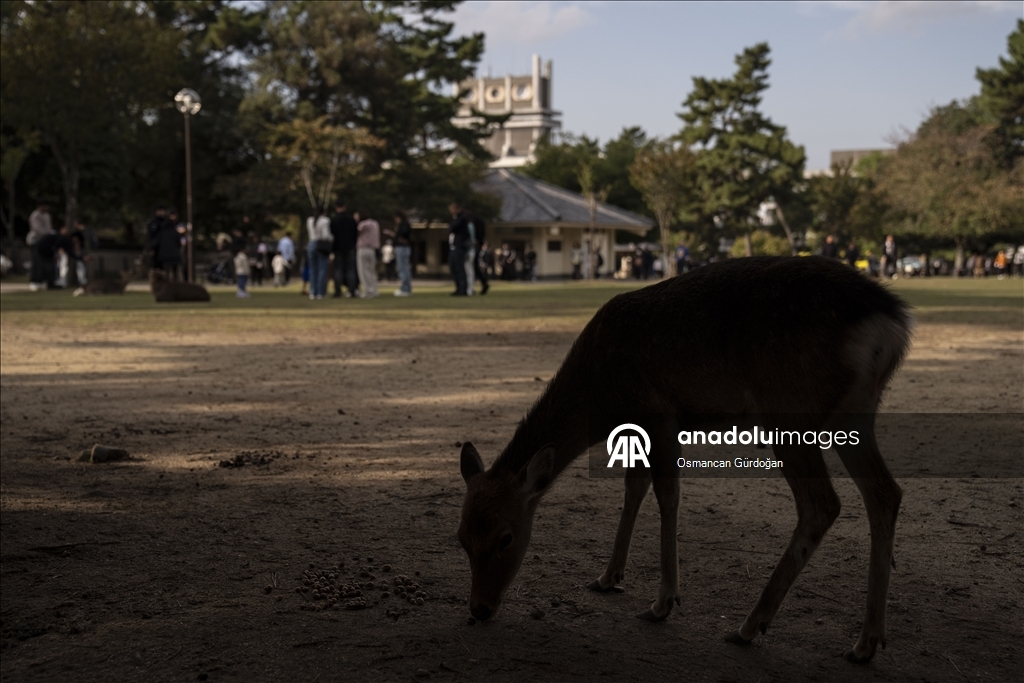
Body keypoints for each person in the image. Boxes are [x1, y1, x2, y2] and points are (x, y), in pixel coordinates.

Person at [330, 201, 358, 298]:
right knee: (351, 269)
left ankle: (338, 291)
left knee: (338, 270)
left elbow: (331, 234)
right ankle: (352, 290)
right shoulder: (351, 219)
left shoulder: (334, 220)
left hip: (338, 247)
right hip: (350, 247)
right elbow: (355, 233)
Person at [27, 201, 55, 291]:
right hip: (37, 240)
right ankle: (34, 281)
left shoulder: (47, 215)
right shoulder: (35, 215)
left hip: (46, 241)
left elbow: (48, 227)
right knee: (36, 261)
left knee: (47, 261)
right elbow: (37, 229)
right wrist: (47, 236)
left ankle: (47, 280)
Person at [306, 205, 331, 299]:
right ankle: (320, 292)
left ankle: (313, 292)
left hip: (311, 244)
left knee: (313, 270)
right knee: (322, 269)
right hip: (321, 245)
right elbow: (326, 235)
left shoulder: (309, 220)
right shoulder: (325, 221)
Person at [355, 210, 380, 298]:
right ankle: (374, 289)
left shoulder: (363, 224)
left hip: (363, 248)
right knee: (371, 270)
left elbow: (357, 230)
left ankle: (368, 290)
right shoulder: (375, 223)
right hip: (372, 249)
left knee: (363, 271)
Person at [447, 202, 470, 295]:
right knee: (453, 267)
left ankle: (463, 289)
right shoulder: (456, 218)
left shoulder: (462, 218)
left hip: (459, 246)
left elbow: (452, 227)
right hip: (453, 247)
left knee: (460, 268)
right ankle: (458, 288)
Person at [391, 210, 413, 296]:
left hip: (402, 248)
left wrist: (398, 237)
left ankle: (405, 288)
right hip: (404, 248)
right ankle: (406, 288)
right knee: (405, 268)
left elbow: (403, 233)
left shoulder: (403, 226)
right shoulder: (405, 225)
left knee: (403, 268)